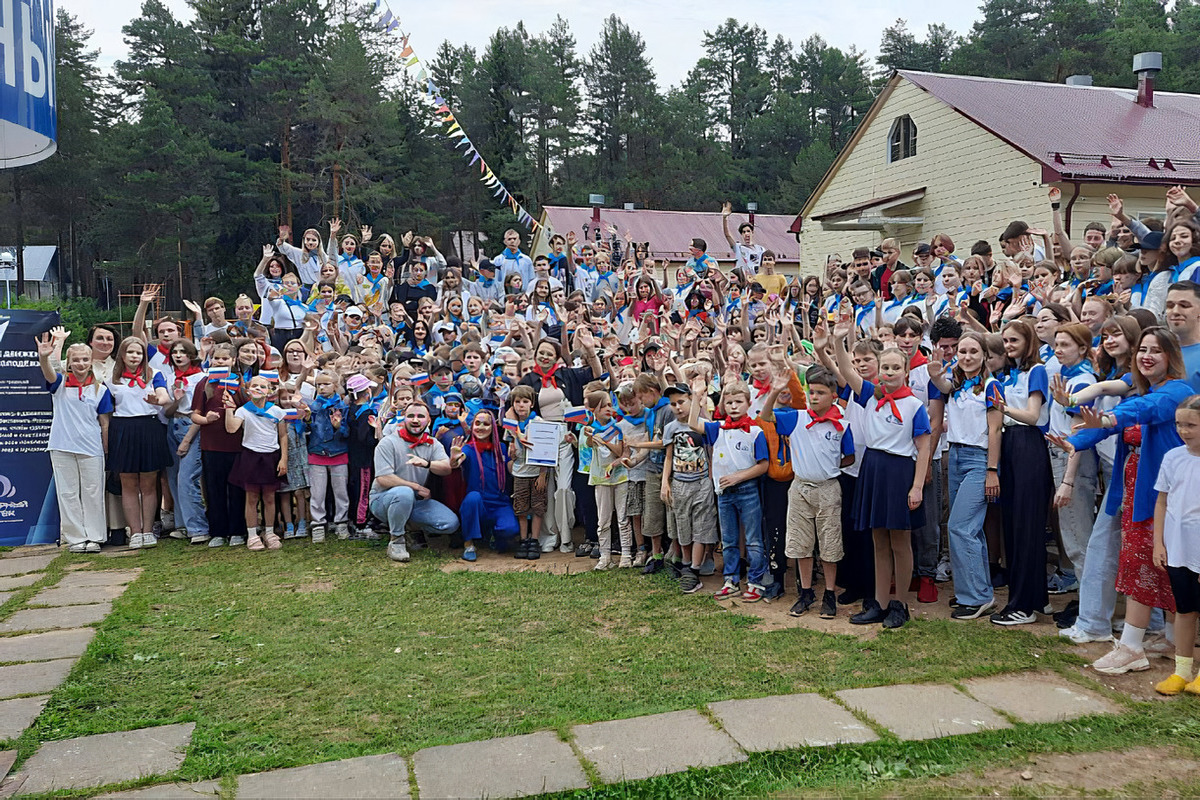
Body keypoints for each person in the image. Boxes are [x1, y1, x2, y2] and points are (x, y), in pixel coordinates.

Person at [832, 318, 930, 628]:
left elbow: (924, 448)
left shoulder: (915, 405)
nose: (888, 373)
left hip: (899, 470)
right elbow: (847, 371)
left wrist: (916, 487)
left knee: (900, 541)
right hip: (873, 468)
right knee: (878, 540)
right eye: (884, 368)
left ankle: (899, 604)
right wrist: (837, 341)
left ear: (906, 371)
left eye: (894, 368)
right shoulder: (869, 395)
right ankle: (879, 602)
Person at [768, 366, 854, 619]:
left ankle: (829, 593)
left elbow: (849, 456)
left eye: (820, 393)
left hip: (828, 488)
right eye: (811, 392)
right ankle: (805, 592)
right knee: (800, 543)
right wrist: (774, 391)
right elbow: (766, 416)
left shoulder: (841, 424)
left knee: (829, 544)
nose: (814, 397)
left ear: (832, 395)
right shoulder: (797, 417)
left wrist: (827, 467)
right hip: (800, 487)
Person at [929, 331, 1002, 621]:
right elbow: (942, 385)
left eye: (973, 351)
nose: (967, 357)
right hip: (956, 456)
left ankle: (976, 597)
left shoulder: (992, 386)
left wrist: (992, 470)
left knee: (960, 527)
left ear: (984, 354)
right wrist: (934, 374)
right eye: (962, 352)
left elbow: (995, 430)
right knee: (969, 528)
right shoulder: (957, 384)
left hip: (978, 459)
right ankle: (977, 592)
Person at [688, 370, 770, 602]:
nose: (733, 406)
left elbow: (763, 465)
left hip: (748, 492)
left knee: (753, 539)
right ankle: (731, 579)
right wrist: (696, 397)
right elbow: (693, 423)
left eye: (738, 402)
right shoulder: (718, 427)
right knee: (730, 540)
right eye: (729, 402)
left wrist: (739, 477)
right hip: (724, 494)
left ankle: (755, 581)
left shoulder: (755, 431)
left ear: (748, 403)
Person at [38, 332, 112, 553]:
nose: (80, 364)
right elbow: (49, 373)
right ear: (69, 362)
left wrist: (106, 449)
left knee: (93, 491)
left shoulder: (101, 389)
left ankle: (95, 536)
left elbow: (105, 424)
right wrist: (44, 357)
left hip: (91, 448)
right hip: (61, 446)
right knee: (68, 493)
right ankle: (76, 538)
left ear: (91, 362)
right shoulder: (60, 384)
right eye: (76, 360)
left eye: (84, 359)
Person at [1152, 394, 1200, 695]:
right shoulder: (1173, 457)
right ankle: (1182, 671)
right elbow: (1162, 501)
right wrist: (1159, 543)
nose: (1183, 431)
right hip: (1178, 550)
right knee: (1184, 610)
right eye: (1180, 424)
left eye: (1191, 425)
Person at [370, 401, 459, 562]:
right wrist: (416, 486)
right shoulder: (388, 442)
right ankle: (396, 541)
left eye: (420, 416)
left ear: (429, 421)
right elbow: (383, 479)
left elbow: (446, 468)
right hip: (382, 500)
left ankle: (409, 527)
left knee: (450, 523)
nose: (415, 420)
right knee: (405, 492)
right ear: (403, 418)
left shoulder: (431, 443)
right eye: (411, 416)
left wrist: (427, 464)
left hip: (414, 502)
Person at [106, 336, 173, 550]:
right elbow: (107, 411)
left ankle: (147, 530)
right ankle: (134, 531)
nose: (135, 356)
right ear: (122, 355)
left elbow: (163, 396)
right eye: (130, 352)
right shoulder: (111, 380)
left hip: (148, 428)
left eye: (139, 353)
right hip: (123, 429)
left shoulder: (155, 375)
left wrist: (158, 400)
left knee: (148, 483)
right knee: (128, 483)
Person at [660, 382, 718, 594]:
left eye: (681, 402)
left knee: (701, 527)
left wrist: (711, 480)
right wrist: (665, 482)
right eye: (673, 404)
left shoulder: (703, 424)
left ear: (692, 401)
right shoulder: (670, 428)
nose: (677, 407)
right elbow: (668, 456)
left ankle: (694, 569)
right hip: (680, 483)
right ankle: (686, 564)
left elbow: (711, 453)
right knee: (683, 525)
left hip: (701, 481)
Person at [224, 374, 288, 552]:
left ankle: (269, 532)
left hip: (271, 457)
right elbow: (231, 428)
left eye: (263, 386)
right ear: (247, 391)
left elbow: (283, 436)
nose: (258, 389)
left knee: (269, 497)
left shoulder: (276, 411)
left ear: (269, 391)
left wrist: (283, 459)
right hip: (251, 457)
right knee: (251, 497)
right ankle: (252, 535)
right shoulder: (243, 410)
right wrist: (229, 408)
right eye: (255, 386)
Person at [451, 410, 520, 562]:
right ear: (472, 426)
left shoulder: (501, 448)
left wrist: (515, 458)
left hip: (499, 503)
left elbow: (510, 469)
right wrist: (454, 458)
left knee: (511, 530)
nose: (481, 427)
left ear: (492, 428)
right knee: (472, 498)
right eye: (477, 423)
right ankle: (469, 544)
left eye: (486, 424)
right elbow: (457, 462)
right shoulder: (468, 448)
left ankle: (491, 534)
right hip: (478, 504)